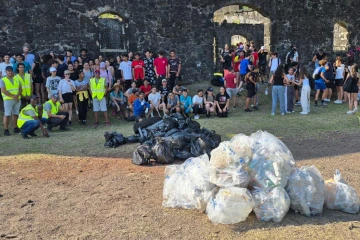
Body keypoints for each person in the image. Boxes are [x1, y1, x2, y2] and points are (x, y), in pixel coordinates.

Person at [1, 66, 22, 136]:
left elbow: (20, 89)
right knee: (7, 114)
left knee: (16, 114)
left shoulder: (16, 79)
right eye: (8, 71)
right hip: (8, 99)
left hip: (16, 99)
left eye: (11, 71)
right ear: (6, 72)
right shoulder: (3, 80)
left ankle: (15, 127)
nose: (10, 72)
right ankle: (6, 129)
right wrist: (13, 96)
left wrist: (17, 95)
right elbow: (3, 90)